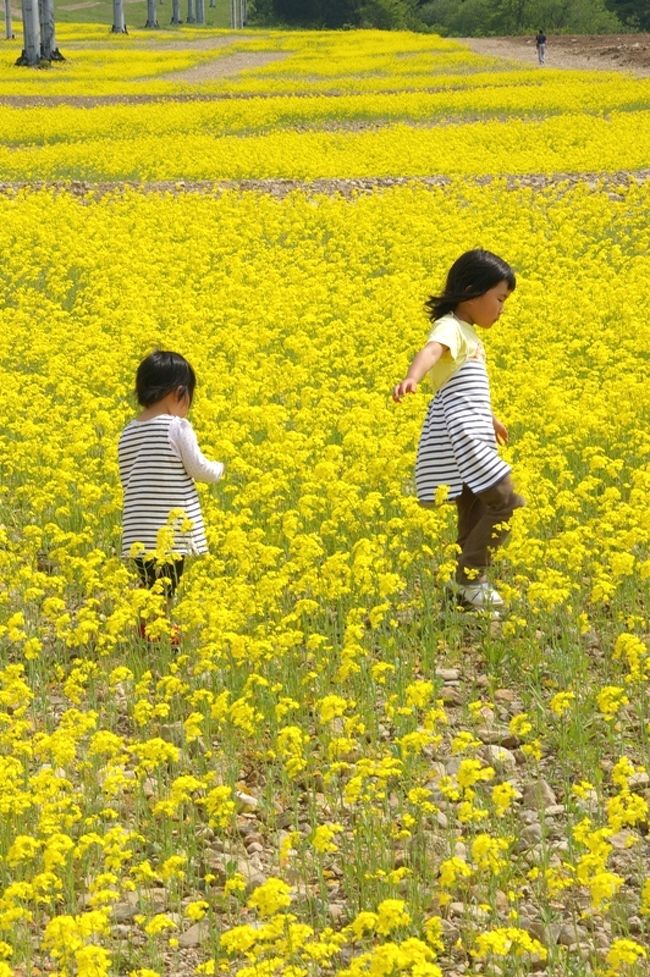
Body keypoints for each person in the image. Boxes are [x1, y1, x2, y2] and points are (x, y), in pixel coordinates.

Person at [392, 249, 524, 615]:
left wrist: (490, 418)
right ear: (470, 291)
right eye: (498, 299)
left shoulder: (468, 334)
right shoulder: (450, 327)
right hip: (462, 435)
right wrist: (412, 378)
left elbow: (464, 387)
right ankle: (470, 577)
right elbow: (431, 350)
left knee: (474, 509)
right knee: (505, 501)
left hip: (470, 429)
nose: (501, 309)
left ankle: (463, 592)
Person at [118, 350, 224, 639]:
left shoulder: (128, 432)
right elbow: (197, 467)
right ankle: (164, 633)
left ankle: (147, 628)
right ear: (179, 394)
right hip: (171, 528)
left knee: (149, 581)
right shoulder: (177, 427)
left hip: (138, 528)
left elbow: (127, 478)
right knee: (168, 582)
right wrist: (219, 469)